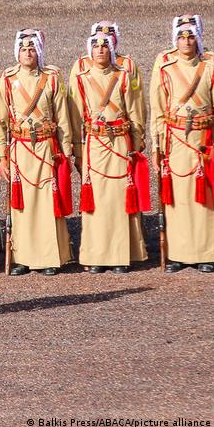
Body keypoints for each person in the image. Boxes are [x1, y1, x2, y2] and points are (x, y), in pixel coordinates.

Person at [0, 30, 74, 276]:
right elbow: (0, 120)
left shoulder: (52, 77)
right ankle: (22, 258)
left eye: (31, 49)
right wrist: (2, 156)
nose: (28, 53)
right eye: (23, 49)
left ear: (38, 51)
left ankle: (49, 257)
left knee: (47, 203)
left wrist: (67, 150)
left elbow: (62, 116)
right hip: (20, 148)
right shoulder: (7, 79)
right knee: (22, 206)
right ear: (16, 52)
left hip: (46, 148)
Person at [69, 32, 148, 274]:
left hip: (120, 144)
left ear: (111, 49)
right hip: (94, 143)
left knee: (118, 199)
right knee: (96, 203)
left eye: (104, 46)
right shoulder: (82, 77)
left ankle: (120, 255)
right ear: (89, 50)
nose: (100, 50)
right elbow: (75, 115)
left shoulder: (123, 76)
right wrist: (78, 149)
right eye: (95, 46)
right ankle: (95, 255)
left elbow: (135, 110)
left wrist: (136, 143)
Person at [150, 22, 214, 273]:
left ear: (197, 39)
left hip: (203, 140)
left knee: (204, 200)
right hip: (175, 140)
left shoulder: (210, 66)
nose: (186, 41)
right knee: (177, 198)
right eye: (181, 37)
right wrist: (156, 146)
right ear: (174, 40)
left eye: (191, 37)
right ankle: (177, 254)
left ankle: (206, 253)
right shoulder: (165, 68)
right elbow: (157, 109)